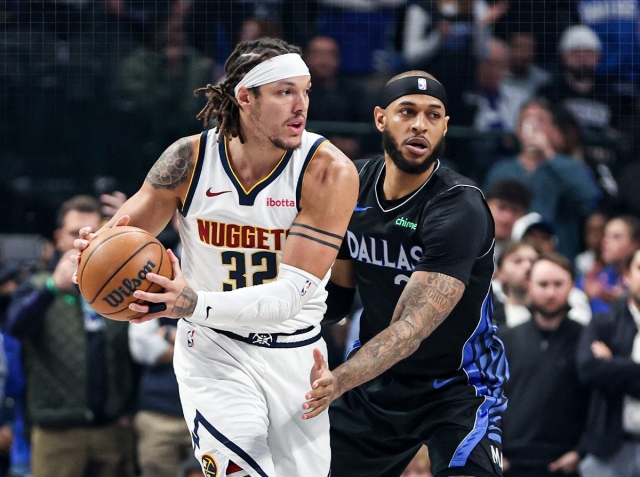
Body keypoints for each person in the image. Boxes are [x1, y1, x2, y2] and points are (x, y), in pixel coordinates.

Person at [73, 38, 358, 477]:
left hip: (295, 355)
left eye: (305, 91)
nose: (301, 105)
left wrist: (190, 302)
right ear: (245, 97)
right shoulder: (188, 160)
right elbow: (121, 241)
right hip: (213, 350)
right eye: (284, 92)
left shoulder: (328, 171)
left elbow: (289, 297)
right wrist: (94, 254)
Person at [303, 71, 509, 477]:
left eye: (433, 115)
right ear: (381, 118)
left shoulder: (458, 206)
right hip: (377, 379)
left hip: (457, 384)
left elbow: (411, 329)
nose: (420, 125)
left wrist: (338, 380)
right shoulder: (351, 185)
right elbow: (337, 298)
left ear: (445, 126)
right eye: (407, 112)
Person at [6, 195, 137, 477]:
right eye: (74, 232)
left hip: (111, 428)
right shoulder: (37, 285)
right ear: (59, 238)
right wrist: (52, 287)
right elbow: (15, 327)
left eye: (94, 231)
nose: (84, 239)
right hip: (57, 433)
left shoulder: (124, 285)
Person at [500, 254, 590, 477]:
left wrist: (580, 452)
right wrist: (492, 449)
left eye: (558, 284)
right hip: (510, 463)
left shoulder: (586, 339)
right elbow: (486, 397)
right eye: (543, 284)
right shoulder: (506, 339)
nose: (551, 293)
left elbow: (597, 401)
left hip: (564, 463)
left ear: (572, 286)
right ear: (529, 286)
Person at [577, 247, 640, 477]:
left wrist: (613, 364)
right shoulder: (604, 322)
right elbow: (588, 370)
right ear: (627, 276)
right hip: (609, 447)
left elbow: (604, 373)